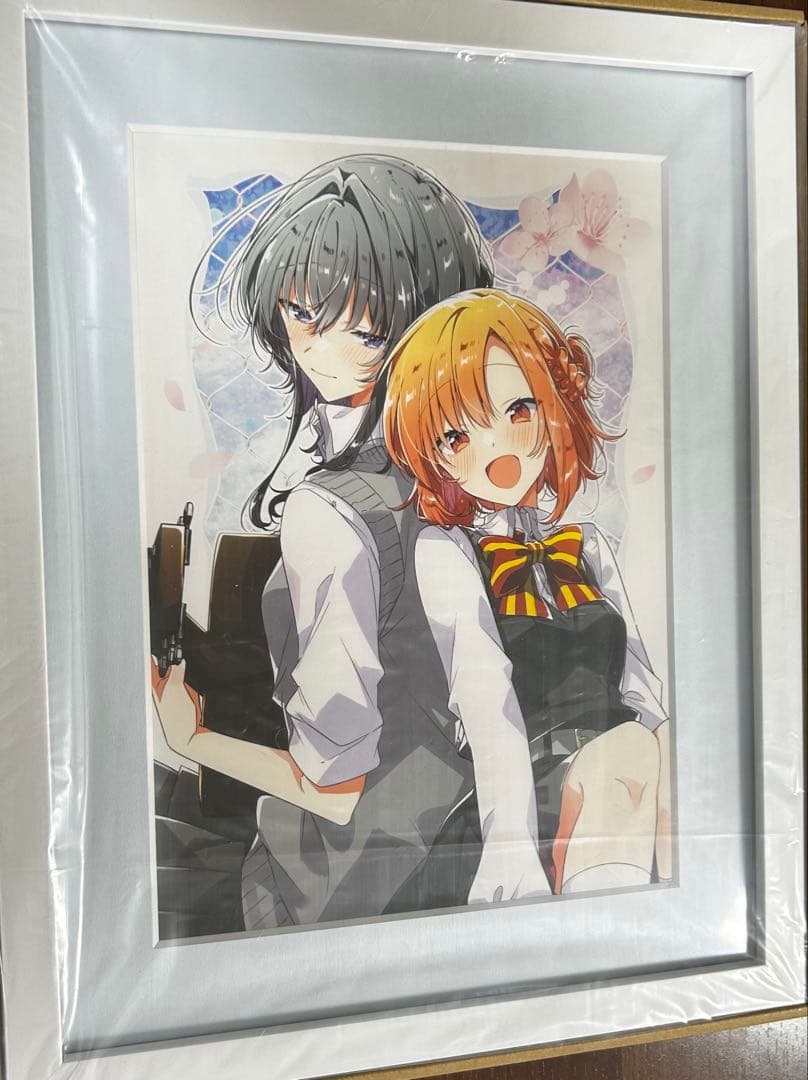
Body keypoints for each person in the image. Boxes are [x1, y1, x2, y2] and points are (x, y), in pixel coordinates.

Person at [153, 154, 526, 931]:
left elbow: (332, 787)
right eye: (301, 314)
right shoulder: (469, 479)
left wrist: (190, 736)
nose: (315, 351)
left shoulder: (330, 510)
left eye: (360, 331)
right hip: (441, 841)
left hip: (332, 883)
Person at [382, 288, 671, 909]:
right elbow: (485, 699)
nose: (497, 451)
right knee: (628, 758)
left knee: (668, 752)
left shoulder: (588, 544)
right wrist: (509, 843)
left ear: (554, 405)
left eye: (517, 410)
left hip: (624, 764)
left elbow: (643, 693)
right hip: (524, 787)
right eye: (457, 436)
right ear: (432, 454)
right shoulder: (447, 550)